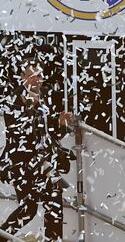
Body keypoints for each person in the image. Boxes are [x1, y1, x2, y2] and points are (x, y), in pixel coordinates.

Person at [0, 58, 75, 242]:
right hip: (21, 164)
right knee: (29, 207)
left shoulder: (44, 99)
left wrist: (61, 124)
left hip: (43, 163)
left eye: (39, 75)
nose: (37, 79)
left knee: (54, 202)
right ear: (23, 77)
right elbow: (16, 131)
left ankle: (53, 240)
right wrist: (30, 108)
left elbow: (49, 135)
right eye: (32, 75)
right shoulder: (15, 98)